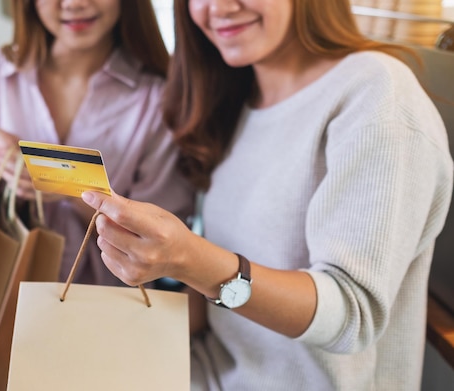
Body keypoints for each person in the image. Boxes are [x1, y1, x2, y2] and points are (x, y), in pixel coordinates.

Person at [80, 0, 454, 389]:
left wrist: (187, 258)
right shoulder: (239, 101)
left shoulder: (376, 94)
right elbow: (221, 306)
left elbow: (351, 315)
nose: (219, 8)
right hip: (207, 369)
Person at [0, 0, 194, 286]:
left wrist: (65, 183)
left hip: (105, 302)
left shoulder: (158, 98)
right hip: (2, 292)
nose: (75, 3)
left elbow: (160, 238)